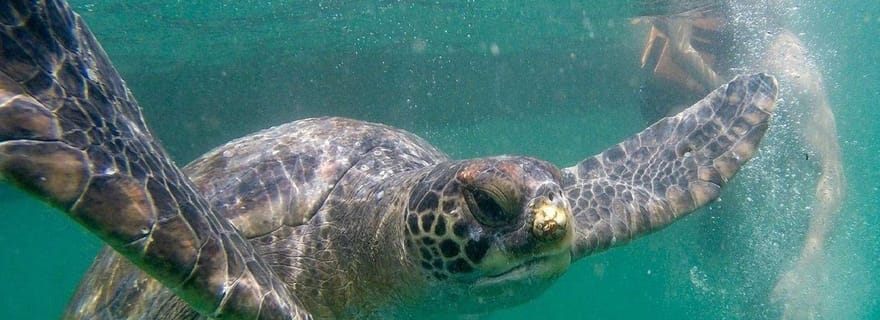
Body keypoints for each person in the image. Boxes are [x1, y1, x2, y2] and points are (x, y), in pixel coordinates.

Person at [635, 2, 845, 318]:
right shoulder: (694, 42)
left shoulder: (796, 74)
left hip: (764, 141)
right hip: (688, 103)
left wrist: (811, 259)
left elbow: (833, 173)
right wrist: (685, 54)